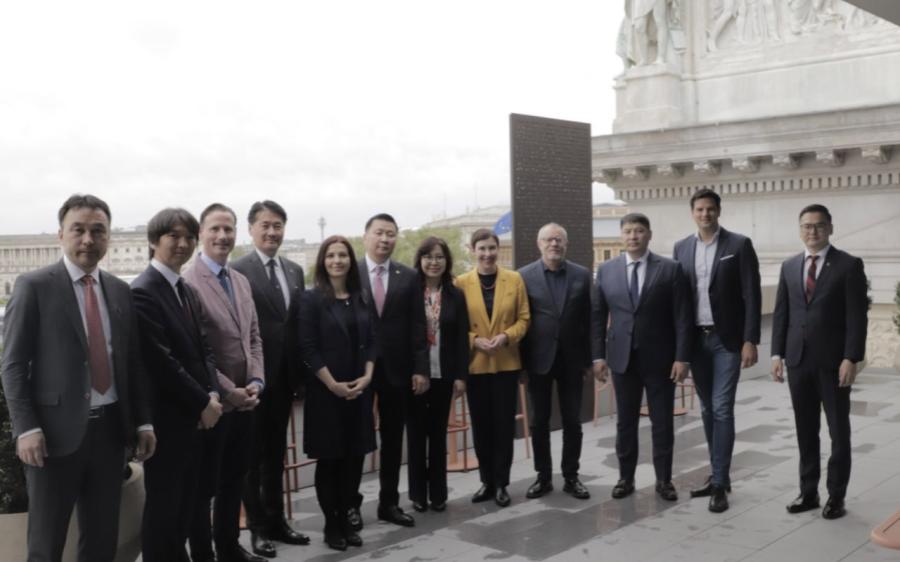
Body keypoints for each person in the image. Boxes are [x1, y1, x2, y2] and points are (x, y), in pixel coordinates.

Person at [1, 194, 155, 562]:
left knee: (102, 540)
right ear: (61, 235)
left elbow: (131, 363)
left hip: (110, 434)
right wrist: (26, 428)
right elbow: (12, 364)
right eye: (78, 230)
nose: (88, 239)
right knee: (46, 543)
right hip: (52, 437)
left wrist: (143, 421)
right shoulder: (34, 286)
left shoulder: (119, 290)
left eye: (98, 231)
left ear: (108, 237)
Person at [132, 208, 223, 562]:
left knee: (185, 508)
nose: (183, 244)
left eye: (189, 237)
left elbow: (204, 350)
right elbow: (161, 362)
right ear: (154, 241)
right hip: (169, 422)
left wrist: (212, 393)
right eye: (174, 236)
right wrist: (203, 402)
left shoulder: (184, 289)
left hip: (196, 417)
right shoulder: (144, 291)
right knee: (163, 513)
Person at [772, 204, 867, 521]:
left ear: (830, 228)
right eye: (807, 226)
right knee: (805, 429)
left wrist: (851, 357)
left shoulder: (848, 265)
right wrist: (776, 354)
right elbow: (782, 314)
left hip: (833, 363)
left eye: (819, 225)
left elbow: (857, 317)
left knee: (838, 431)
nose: (812, 231)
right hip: (797, 361)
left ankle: (836, 496)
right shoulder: (789, 266)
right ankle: (808, 492)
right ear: (800, 229)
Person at [183, 204, 265, 562]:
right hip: (213, 404)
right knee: (204, 488)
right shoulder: (188, 281)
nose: (222, 236)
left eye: (228, 229)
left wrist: (257, 381)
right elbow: (196, 352)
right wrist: (230, 391)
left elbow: (254, 337)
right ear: (201, 233)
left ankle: (229, 547)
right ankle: (203, 554)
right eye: (215, 229)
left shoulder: (241, 281)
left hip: (247, 401)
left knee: (235, 479)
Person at [591, 213, 692, 502]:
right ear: (621, 236)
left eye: (639, 231)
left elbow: (682, 317)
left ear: (649, 235)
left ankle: (664, 480)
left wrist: (682, 357)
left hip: (661, 359)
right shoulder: (606, 270)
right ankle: (625, 478)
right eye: (628, 231)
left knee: (662, 422)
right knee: (625, 422)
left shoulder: (671, 269)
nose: (633, 236)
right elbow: (597, 316)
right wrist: (598, 356)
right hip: (622, 359)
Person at [673, 189, 761, 513]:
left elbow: (752, 294)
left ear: (719, 211)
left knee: (722, 408)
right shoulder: (681, 248)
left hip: (727, 341)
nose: (705, 214)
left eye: (710, 209)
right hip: (696, 341)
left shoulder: (739, 245)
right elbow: (679, 300)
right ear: (692, 213)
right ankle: (716, 473)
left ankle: (720, 483)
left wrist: (750, 339)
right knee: (708, 410)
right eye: (699, 209)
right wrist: (680, 351)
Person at [232, 200, 310, 557]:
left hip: (285, 380)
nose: (272, 232)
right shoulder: (237, 271)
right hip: (253, 380)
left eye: (278, 225)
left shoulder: (294, 270)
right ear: (251, 229)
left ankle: (278, 520)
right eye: (265, 225)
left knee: (276, 456)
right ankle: (258, 528)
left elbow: (296, 325)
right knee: (252, 459)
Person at [299, 236, 376, 551]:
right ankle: (332, 525)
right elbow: (308, 349)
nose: (337, 261)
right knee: (330, 461)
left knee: (354, 460)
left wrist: (368, 376)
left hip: (359, 392)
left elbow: (372, 341)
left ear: (350, 260)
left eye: (343, 255)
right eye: (330, 255)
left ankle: (346, 517)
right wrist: (332, 384)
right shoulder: (311, 299)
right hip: (326, 394)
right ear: (322, 261)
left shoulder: (361, 297)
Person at [355, 213, 429, 528]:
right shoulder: (350, 272)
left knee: (393, 438)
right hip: (358, 370)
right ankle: (351, 505)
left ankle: (389, 503)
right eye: (379, 233)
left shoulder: (408, 276)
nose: (385, 239)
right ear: (366, 236)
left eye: (391, 234)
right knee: (357, 438)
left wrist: (420, 368)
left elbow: (418, 324)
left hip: (397, 370)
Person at [455, 228, 530, 508]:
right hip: (475, 366)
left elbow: (524, 318)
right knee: (482, 427)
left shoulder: (514, 279)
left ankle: (501, 483)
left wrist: (506, 336)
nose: (487, 254)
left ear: (498, 250)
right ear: (472, 251)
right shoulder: (460, 283)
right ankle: (486, 481)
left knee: (503, 426)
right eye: (482, 249)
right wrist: (474, 340)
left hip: (506, 362)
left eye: (492, 248)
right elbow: (454, 325)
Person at [518, 223, 592, 501]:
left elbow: (589, 319)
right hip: (538, 361)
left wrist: (590, 359)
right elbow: (521, 321)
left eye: (559, 240)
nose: (554, 244)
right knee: (539, 422)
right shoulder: (523, 276)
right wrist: (521, 365)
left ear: (566, 244)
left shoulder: (581, 275)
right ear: (539, 244)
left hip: (573, 360)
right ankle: (543, 477)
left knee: (573, 420)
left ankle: (571, 476)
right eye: (549, 240)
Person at [406, 237, 470, 512]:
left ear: (447, 261)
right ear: (420, 260)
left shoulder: (456, 295)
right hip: (415, 376)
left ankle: (439, 494)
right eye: (428, 257)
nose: (434, 262)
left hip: (444, 374)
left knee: (437, 434)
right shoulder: (410, 292)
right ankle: (418, 494)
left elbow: (461, 338)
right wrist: (414, 370)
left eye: (439, 257)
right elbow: (405, 337)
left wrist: (461, 376)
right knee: (416, 435)